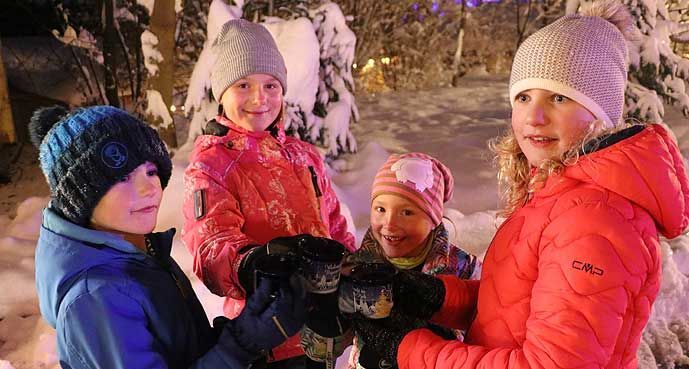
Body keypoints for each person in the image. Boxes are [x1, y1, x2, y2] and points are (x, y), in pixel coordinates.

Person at [348, 1, 689, 368]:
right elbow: (514, 304)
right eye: (524, 97)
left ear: (602, 112)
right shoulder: (560, 195)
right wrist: (433, 297)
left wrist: (406, 349)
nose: (534, 117)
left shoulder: (594, 221)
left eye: (559, 98)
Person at [31, 105, 307, 369]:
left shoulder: (140, 251)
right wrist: (240, 347)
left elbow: (182, 350)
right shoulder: (96, 297)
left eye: (151, 171)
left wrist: (243, 331)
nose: (148, 188)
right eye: (122, 178)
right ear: (81, 196)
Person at [182, 19, 356, 366]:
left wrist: (352, 267)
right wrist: (255, 264)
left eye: (271, 85)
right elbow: (211, 247)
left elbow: (334, 225)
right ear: (221, 92)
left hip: (321, 328)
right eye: (243, 84)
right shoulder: (212, 164)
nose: (260, 98)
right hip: (269, 333)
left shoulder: (303, 155)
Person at [346, 152, 481, 368]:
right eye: (380, 209)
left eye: (407, 212)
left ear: (433, 219)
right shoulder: (359, 265)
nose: (389, 223)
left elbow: (484, 336)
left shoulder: (464, 269)